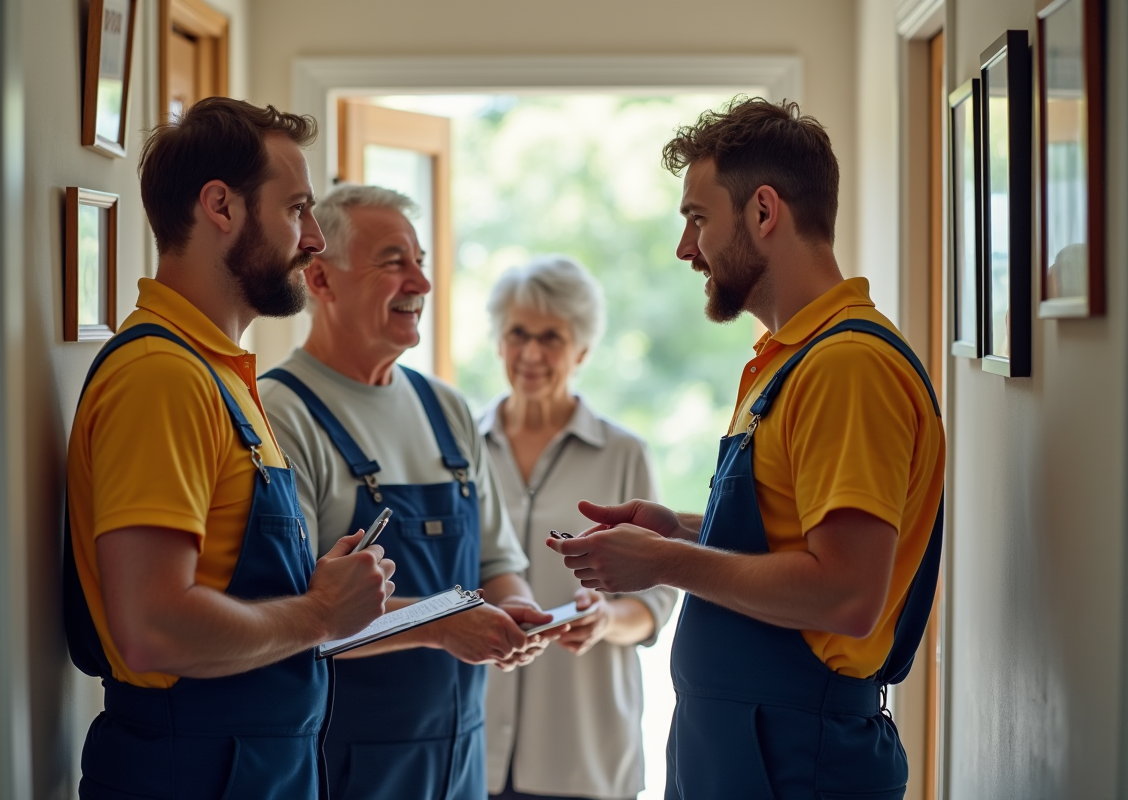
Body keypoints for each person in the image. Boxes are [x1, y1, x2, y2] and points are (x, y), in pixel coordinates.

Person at [549, 97, 947, 799]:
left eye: (697, 220)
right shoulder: (790, 360)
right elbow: (792, 535)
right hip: (748, 751)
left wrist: (668, 562)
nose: (684, 249)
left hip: (797, 760)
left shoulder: (846, 367)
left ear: (764, 213)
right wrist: (677, 527)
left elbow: (847, 592)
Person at [64, 98, 397, 800]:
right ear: (221, 206)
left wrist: (317, 592)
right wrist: (318, 613)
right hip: (194, 774)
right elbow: (152, 628)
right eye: (297, 210)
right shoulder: (163, 378)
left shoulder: (218, 375)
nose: (314, 240)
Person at [259, 184, 557, 800]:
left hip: (460, 761)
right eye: (394, 262)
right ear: (320, 279)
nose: (420, 283)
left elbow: (497, 563)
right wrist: (444, 624)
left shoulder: (445, 407)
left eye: (420, 261)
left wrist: (515, 610)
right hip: (342, 766)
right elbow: (292, 615)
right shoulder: (279, 415)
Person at [479, 256, 679, 800]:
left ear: (583, 350)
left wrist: (607, 619)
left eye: (553, 337)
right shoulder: (460, 450)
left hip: (584, 754)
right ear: (499, 340)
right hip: (472, 750)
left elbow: (657, 601)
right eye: (518, 333)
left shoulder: (623, 454)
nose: (532, 353)